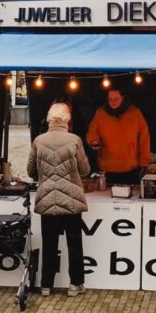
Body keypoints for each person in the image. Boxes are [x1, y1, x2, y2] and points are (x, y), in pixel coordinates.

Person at [28, 103, 91, 297]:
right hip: (71, 199)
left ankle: (46, 285)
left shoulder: (39, 140)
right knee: (74, 243)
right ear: (67, 120)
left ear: (48, 119)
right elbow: (85, 170)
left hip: (47, 199)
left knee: (49, 244)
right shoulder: (74, 140)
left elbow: (31, 171)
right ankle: (75, 284)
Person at [86, 86, 150, 185]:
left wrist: (144, 163)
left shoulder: (135, 113)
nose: (112, 102)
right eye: (110, 99)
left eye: (116, 99)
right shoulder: (100, 113)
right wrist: (94, 141)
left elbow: (144, 140)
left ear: (123, 98)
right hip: (107, 167)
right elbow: (92, 132)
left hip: (130, 167)